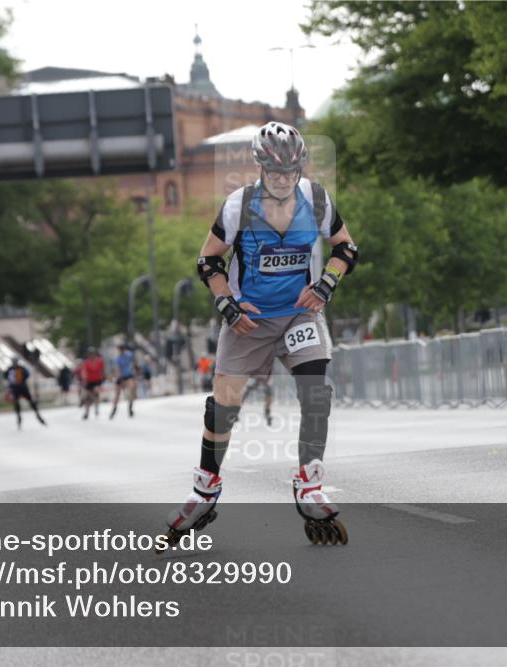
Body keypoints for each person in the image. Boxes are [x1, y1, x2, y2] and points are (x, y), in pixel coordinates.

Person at [162, 121, 359, 549]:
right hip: (247, 321)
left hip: (298, 315)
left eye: (289, 173)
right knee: (223, 408)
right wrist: (227, 304)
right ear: (260, 170)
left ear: (300, 168)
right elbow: (207, 261)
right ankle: (205, 489)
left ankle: (309, 482)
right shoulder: (239, 205)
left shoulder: (317, 199)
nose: (283, 181)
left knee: (316, 391)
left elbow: (347, 248)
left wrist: (325, 284)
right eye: (274, 173)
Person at [4, 357, 46, 429]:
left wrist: (21, 381)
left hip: (22, 387)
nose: (15, 363)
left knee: (31, 401)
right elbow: (5, 376)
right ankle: (19, 417)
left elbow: (27, 374)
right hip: (15, 388)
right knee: (16, 403)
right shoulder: (10, 369)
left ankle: (38, 415)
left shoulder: (21, 368)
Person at [110, 344, 137, 419]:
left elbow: (134, 362)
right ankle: (114, 409)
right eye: (120, 350)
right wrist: (119, 377)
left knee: (132, 388)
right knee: (117, 394)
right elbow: (117, 368)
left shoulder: (129, 355)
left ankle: (130, 406)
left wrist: (135, 369)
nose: (122, 351)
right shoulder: (117, 358)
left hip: (128, 375)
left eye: (123, 349)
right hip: (121, 376)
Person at [79, 347, 105, 420]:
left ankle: (96, 409)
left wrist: (102, 379)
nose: (91, 355)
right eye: (90, 354)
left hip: (97, 380)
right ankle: (86, 412)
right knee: (87, 397)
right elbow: (84, 372)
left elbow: (102, 370)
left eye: (93, 354)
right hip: (89, 381)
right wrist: (84, 380)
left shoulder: (99, 361)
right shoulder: (86, 362)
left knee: (96, 394)